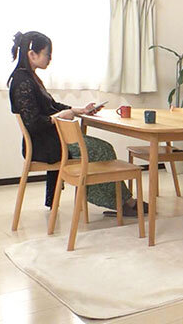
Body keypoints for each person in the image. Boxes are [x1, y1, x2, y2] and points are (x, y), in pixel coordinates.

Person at [8, 31, 146, 216]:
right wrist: (60, 117)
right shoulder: (22, 82)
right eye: (47, 54)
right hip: (44, 145)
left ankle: (121, 201)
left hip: (49, 140)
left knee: (101, 148)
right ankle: (123, 203)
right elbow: (33, 123)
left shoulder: (28, 78)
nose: (50, 58)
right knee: (103, 150)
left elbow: (52, 106)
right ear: (32, 55)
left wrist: (77, 110)